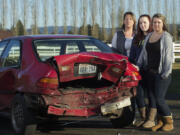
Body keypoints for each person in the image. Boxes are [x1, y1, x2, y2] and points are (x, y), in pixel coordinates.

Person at [137, 13, 174, 131]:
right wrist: (138, 65)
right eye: (154, 22)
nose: (156, 24)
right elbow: (143, 54)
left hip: (161, 74)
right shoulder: (149, 36)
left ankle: (169, 122)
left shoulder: (166, 37)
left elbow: (168, 57)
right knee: (152, 98)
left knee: (159, 99)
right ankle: (160, 122)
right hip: (150, 73)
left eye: (159, 22)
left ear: (163, 23)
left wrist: (165, 73)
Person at [129, 14, 152, 128]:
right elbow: (132, 54)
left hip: (151, 70)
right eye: (141, 23)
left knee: (151, 95)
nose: (143, 25)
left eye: (145, 22)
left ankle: (152, 119)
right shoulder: (136, 37)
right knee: (139, 94)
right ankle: (143, 118)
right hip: (138, 71)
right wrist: (131, 64)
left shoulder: (153, 36)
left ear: (150, 23)